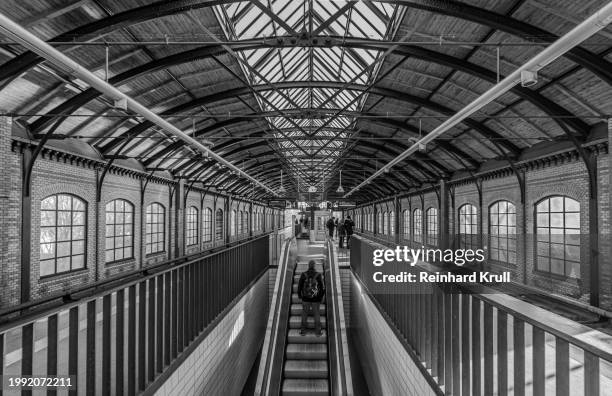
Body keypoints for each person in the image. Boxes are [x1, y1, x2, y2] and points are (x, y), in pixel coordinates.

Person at [297, 260, 325, 336]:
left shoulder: (303, 274)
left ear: (308, 266)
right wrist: (321, 297)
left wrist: (300, 295)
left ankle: (303, 331)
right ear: (314, 266)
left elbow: (299, 286)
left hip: (305, 298)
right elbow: (322, 288)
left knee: (304, 314)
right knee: (316, 314)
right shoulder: (318, 275)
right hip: (316, 299)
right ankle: (318, 333)